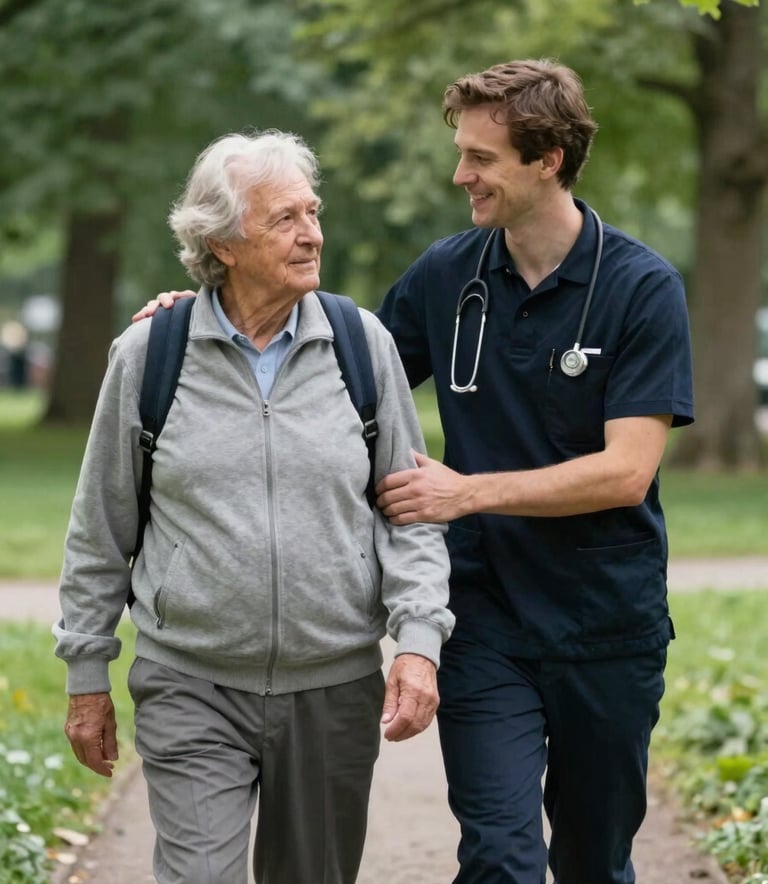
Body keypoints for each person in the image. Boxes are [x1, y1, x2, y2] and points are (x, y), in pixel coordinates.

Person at [139, 59, 694, 884]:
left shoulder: (641, 288)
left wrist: (465, 493)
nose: (460, 174)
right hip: (485, 618)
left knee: (593, 858)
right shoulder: (449, 275)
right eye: (461, 151)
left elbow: (625, 472)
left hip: (606, 621)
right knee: (501, 856)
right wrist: (205, 310)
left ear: (548, 160)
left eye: (481, 158)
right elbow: (324, 365)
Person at [54, 129, 454, 884]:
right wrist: (85, 674)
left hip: (333, 686)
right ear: (224, 242)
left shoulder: (361, 345)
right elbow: (99, 528)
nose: (313, 235)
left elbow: (412, 516)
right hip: (189, 682)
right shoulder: (148, 355)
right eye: (285, 219)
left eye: (313, 211)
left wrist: (417, 642)